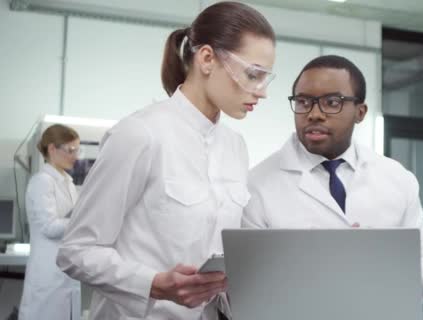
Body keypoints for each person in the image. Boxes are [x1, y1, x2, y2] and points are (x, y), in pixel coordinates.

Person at [56, 2, 276, 319]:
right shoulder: (140, 134)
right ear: (207, 59)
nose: (262, 92)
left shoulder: (235, 146)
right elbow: (76, 252)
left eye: (266, 78)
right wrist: (155, 284)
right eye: (253, 74)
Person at [242, 55, 423, 299]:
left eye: (331, 102)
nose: (314, 114)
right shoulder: (257, 185)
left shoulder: (397, 179)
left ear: (360, 112)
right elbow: (248, 287)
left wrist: (386, 270)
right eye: (304, 101)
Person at [19, 124, 81, 320]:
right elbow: (49, 227)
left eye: (77, 150)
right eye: (70, 150)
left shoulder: (68, 183)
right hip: (48, 274)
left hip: (66, 273)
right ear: (52, 149)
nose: (75, 156)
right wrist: (81, 220)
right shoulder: (42, 181)